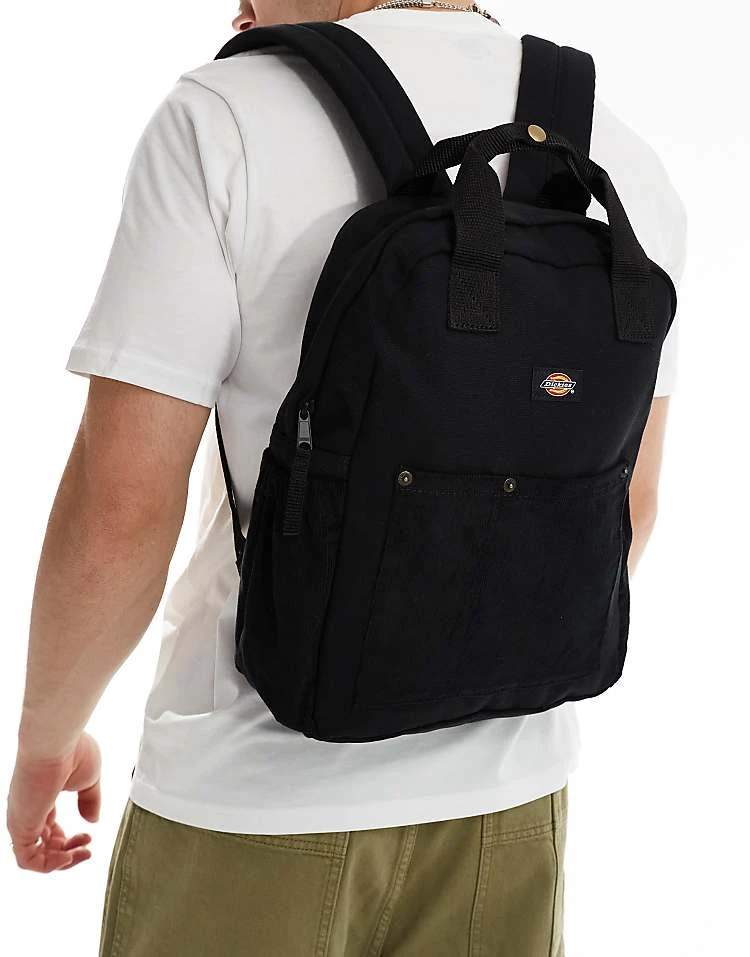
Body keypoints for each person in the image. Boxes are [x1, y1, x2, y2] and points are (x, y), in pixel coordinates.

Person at [7, 2, 686, 954]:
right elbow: (626, 506)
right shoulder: (620, 154)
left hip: (250, 805)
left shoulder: (226, 116)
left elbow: (121, 509)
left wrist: (48, 739)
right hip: (512, 812)